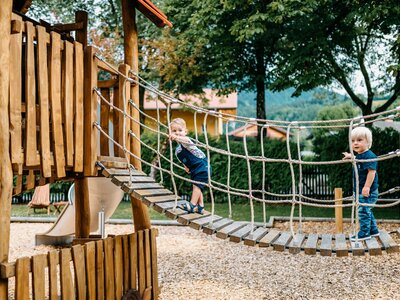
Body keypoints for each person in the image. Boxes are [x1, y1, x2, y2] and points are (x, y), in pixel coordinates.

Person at [342, 126, 379, 241]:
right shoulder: (360, 155)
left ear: (368, 142)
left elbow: (372, 172)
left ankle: (364, 233)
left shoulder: (369, 156)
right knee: (366, 210)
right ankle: (373, 231)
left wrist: (367, 187)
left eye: (359, 140)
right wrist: (351, 156)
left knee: (363, 212)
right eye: (353, 141)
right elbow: (358, 159)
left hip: (367, 191)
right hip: (362, 189)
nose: (355, 143)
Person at [169, 118, 211, 214]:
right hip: (194, 169)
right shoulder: (177, 150)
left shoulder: (187, 141)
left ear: (185, 132)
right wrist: (185, 166)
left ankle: (192, 205)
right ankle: (200, 206)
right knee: (197, 186)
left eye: (180, 130)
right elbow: (183, 159)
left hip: (202, 166)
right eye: (174, 131)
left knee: (196, 186)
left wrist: (174, 137)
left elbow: (183, 140)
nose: (177, 133)